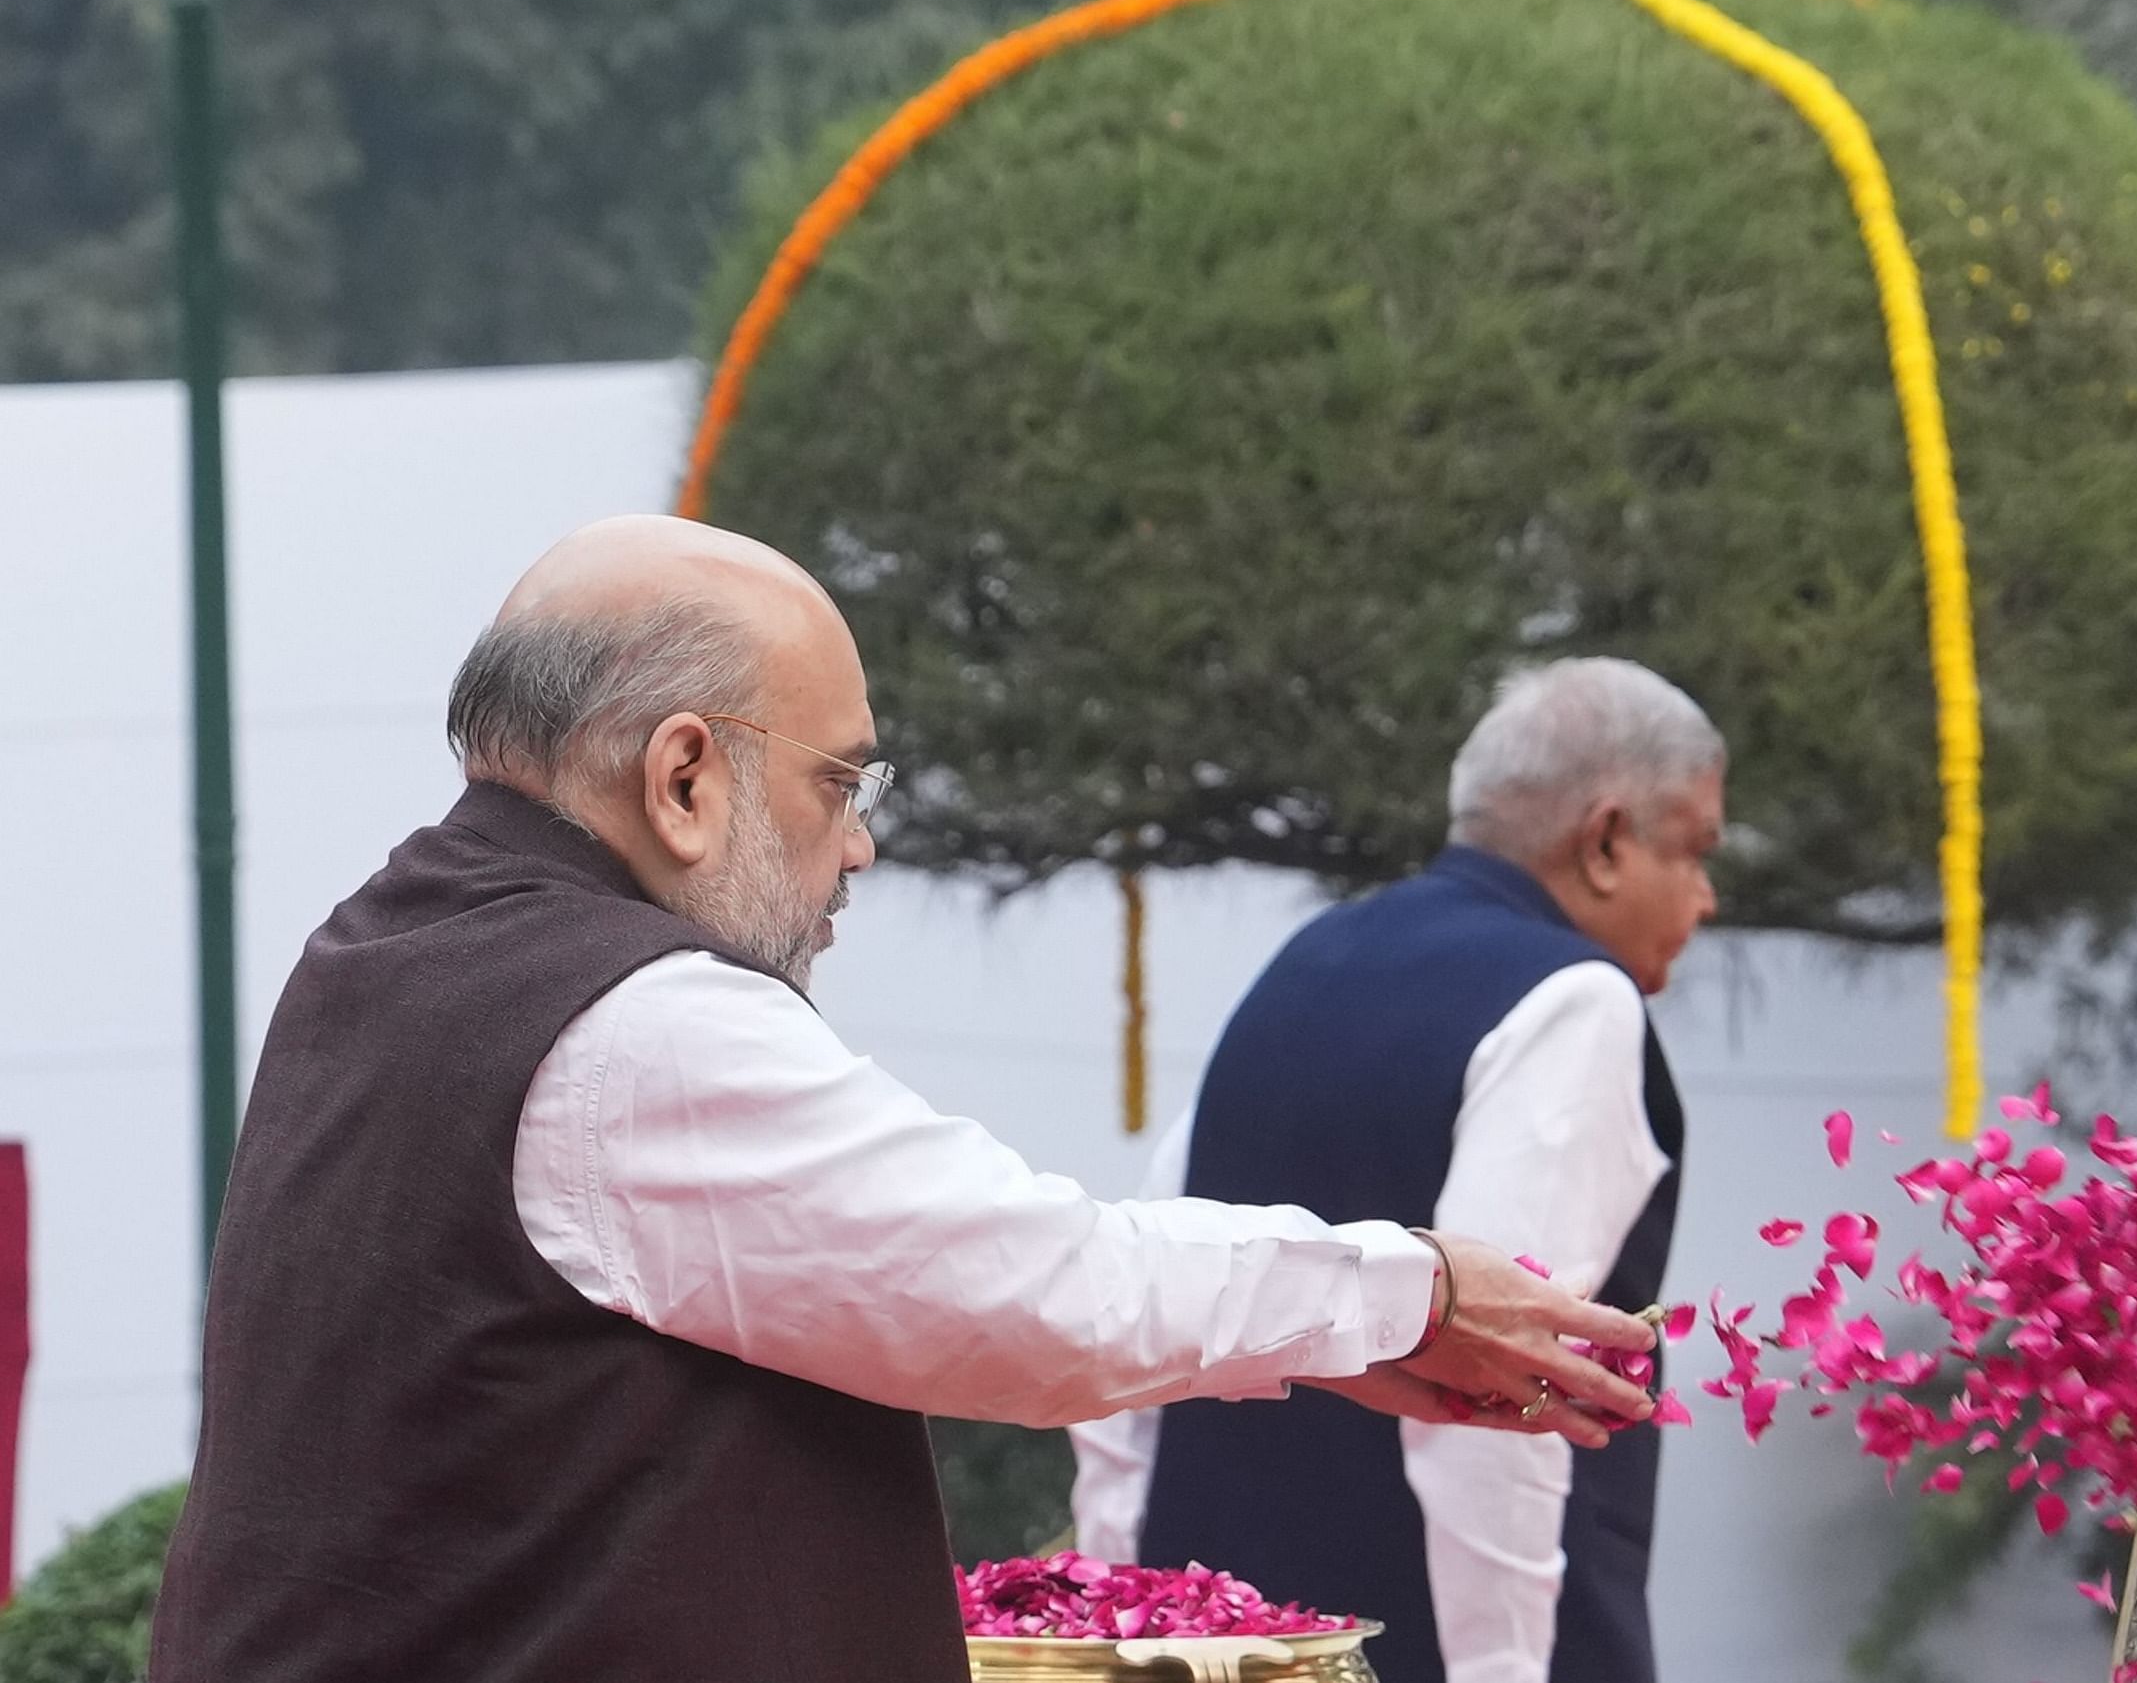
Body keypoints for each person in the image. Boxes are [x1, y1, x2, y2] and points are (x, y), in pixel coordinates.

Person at [149, 517, 1653, 1683]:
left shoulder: (386, 942)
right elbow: (1034, 1290)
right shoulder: (635, 1021)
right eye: (839, 786)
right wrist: (1397, 1290)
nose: (857, 850)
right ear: (685, 776)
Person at [1073, 660, 1719, 1683]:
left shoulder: (1313, 956)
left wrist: (1114, 1608)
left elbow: (1145, 1304)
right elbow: (1501, 1398)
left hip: (1211, 1640)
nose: (1706, 898)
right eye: (1693, 853)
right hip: (1417, 1646)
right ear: (1604, 842)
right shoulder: (1574, 1002)